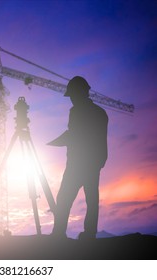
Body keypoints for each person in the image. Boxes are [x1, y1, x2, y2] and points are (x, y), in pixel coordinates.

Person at [48, 76, 108, 240]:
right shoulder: (100, 113)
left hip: (78, 163)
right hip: (92, 162)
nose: (72, 100)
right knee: (91, 198)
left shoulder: (76, 112)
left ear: (80, 93)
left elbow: (75, 135)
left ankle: (59, 233)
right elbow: (100, 140)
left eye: (73, 95)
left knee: (65, 198)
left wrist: (54, 142)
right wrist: (100, 161)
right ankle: (90, 234)